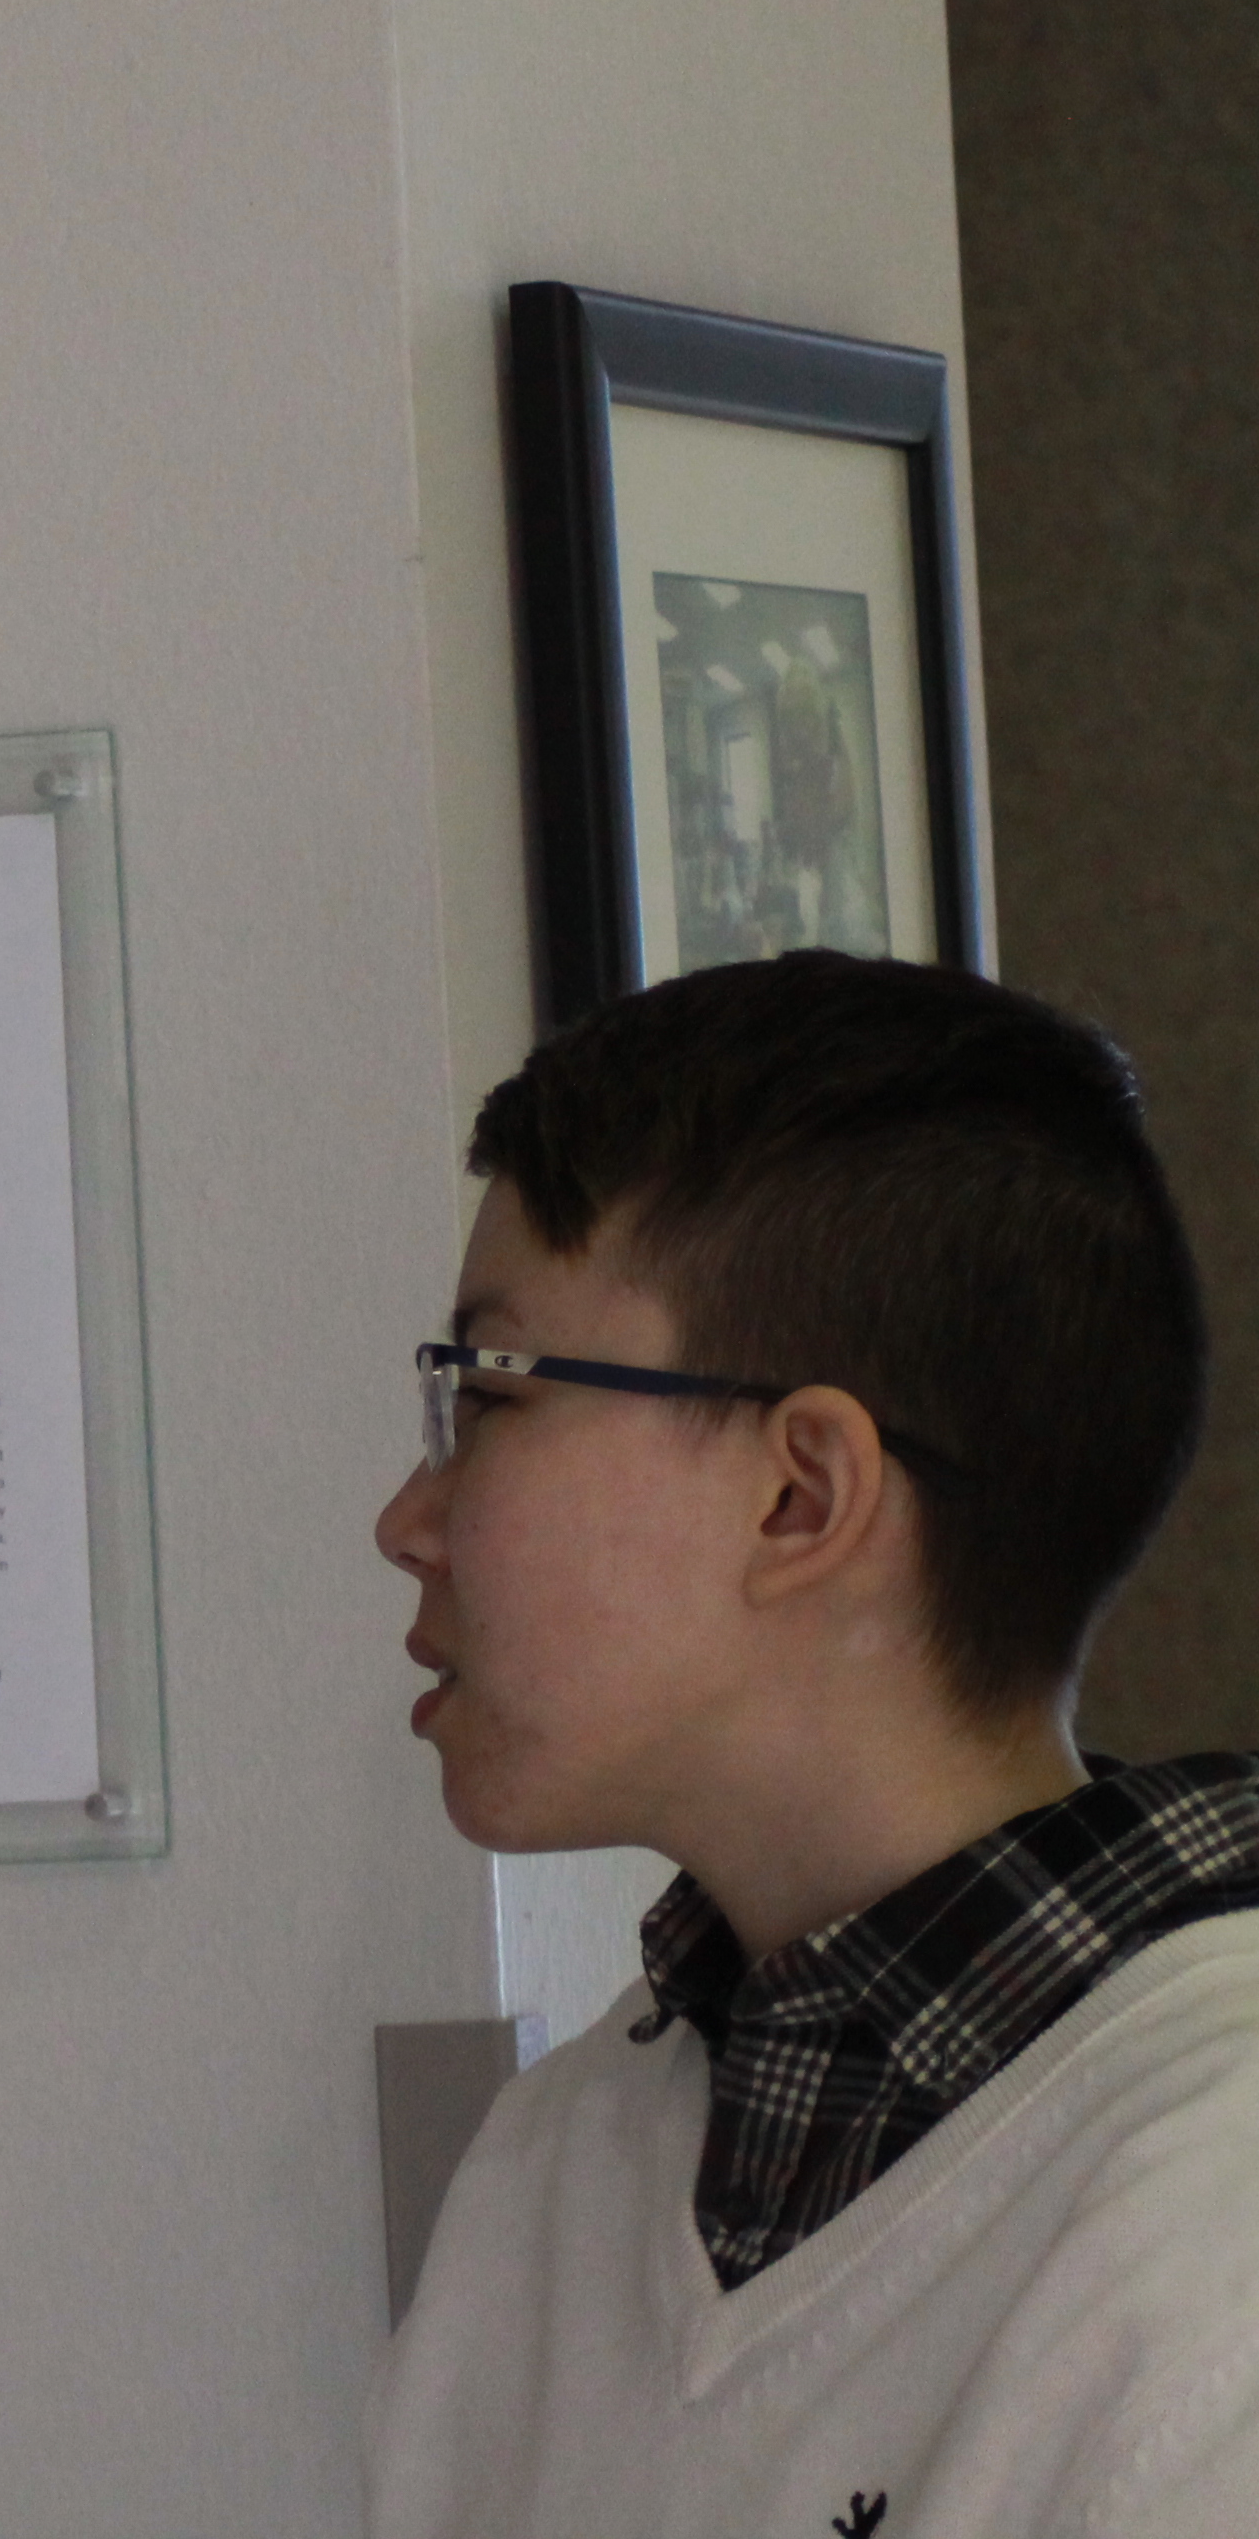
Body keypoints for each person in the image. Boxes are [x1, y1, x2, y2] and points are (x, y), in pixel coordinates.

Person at [365, 952, 1259, 2533]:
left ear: (801, 1497)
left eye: (487, 1397)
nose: (406, 1521)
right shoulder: (556, 2167)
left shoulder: (1213, 2210)